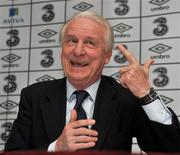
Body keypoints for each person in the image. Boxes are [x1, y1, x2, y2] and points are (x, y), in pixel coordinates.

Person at [4, 11, 180, 152]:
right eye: (71, 40)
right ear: (61, 49)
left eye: (90, 43)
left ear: (107, 56)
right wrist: (55, 148)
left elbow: (171, 148)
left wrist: (145, 93)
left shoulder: (125, 98)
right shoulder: (34, 96)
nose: (78, 51)